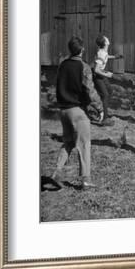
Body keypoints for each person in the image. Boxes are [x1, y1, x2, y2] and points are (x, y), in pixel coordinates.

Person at [51, 36, 103, 190]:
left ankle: (56, 173)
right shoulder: (84, 67)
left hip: (63, 111)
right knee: (84, 144)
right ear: (82, 50)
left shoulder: (62, 65)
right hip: (77, 112)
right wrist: (99, 108)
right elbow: (90, 90)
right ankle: (86, 180)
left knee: (68, 143)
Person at [93, 34, 119, 126]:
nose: (108, 38)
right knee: (105, 95)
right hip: (98, 76)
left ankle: (102, 111)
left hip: (101, 75)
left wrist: (115, 57)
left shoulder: (103, 51)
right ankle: (104, 118)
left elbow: (106, 56)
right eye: (106, 38)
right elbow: (96, 69)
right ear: (105, 43)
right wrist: (107, 75)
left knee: (109, 91)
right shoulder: (101, 53)